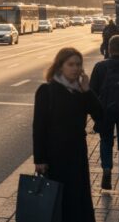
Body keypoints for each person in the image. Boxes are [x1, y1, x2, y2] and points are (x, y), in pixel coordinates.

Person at [33, 47, 102, 222]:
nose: (75, 68)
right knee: (58, 202)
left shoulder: (81, 92)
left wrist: (87, 90)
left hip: (78, 155)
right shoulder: (47, 91)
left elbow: (101, 116)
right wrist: (40, 159)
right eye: (70, 64)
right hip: (55, 157)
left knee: (78, 200)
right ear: (60, 66)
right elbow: (39, 127)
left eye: (78, 64)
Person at [90, 35, 119, 190]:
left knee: (105, 141)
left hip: (105, 111)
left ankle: (107, 169)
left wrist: (95, 115)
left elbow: (92, 93)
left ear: (109, 49)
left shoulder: (100, 67)